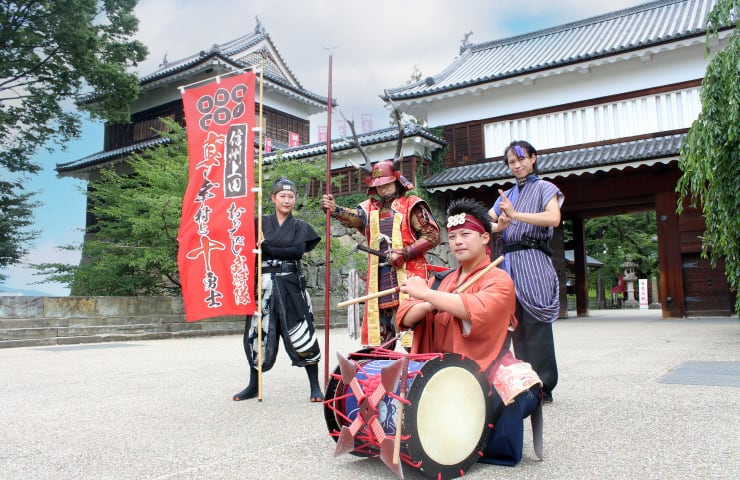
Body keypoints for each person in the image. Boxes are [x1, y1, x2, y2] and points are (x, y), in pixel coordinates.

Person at [396, 198, 542, 466]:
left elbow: (476, 308)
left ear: (485, 237)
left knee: (519, 387)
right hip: (440, 370)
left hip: (482, 367)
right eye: (452, 236)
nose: (458, 241)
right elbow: (404, 314)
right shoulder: (443, 279)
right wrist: (429, 300)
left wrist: (428, 294)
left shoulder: (499, 279)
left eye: (466, 234)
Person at [320, 159, 440, 347]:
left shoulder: (412, 204)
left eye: (387, 184)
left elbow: (432, 236)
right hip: (380, 277)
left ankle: (422, 370)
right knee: (382, 336)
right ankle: (383, 372)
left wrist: (405, 252)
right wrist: (335, 210)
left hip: (409, 276)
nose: (383, 189)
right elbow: (354, 217)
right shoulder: (370, 209)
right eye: (379, 186)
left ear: (397, 181)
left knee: (414, 334)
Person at [233, 177, 323, 402]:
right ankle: (254, 385)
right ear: (273, 198)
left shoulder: (300, 226)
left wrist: (267, 247)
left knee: (303, 332)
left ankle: (315, 386)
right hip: (263, 285)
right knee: (257, 334)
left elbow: (296, 252)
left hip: (291, 284)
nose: (287, 200)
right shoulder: (257, 224)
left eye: (291, 196)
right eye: (282, 196)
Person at [488, 140, 564, 403]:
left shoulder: (545, 188)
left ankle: (544, 386)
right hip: (507, 262)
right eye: (511, 161)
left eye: (521, 159)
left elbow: (553, 218)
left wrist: (516, 215)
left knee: (535, 324)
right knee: (513, 324)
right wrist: (499, 224)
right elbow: (488, 221)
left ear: (533, 158)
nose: (517, 165)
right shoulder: (506, 195)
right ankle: (520, 384)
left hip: (533, 259)